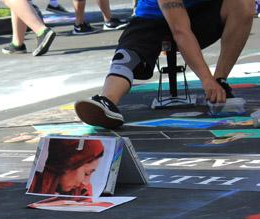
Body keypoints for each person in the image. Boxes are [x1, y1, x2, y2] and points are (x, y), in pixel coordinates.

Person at [74, 0, 255, 129]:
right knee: (126, 57)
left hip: (199, 16)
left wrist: (214, 80)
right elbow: (180, 31)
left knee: (243, 4)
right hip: (152, 20)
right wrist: (206, 80)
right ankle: (107, 101)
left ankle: (221, 80)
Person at [28, 138, 104, 196]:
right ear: (69, 164)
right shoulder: (33, 184)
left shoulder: (83, 191)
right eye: (86, 173)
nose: (85, 183)